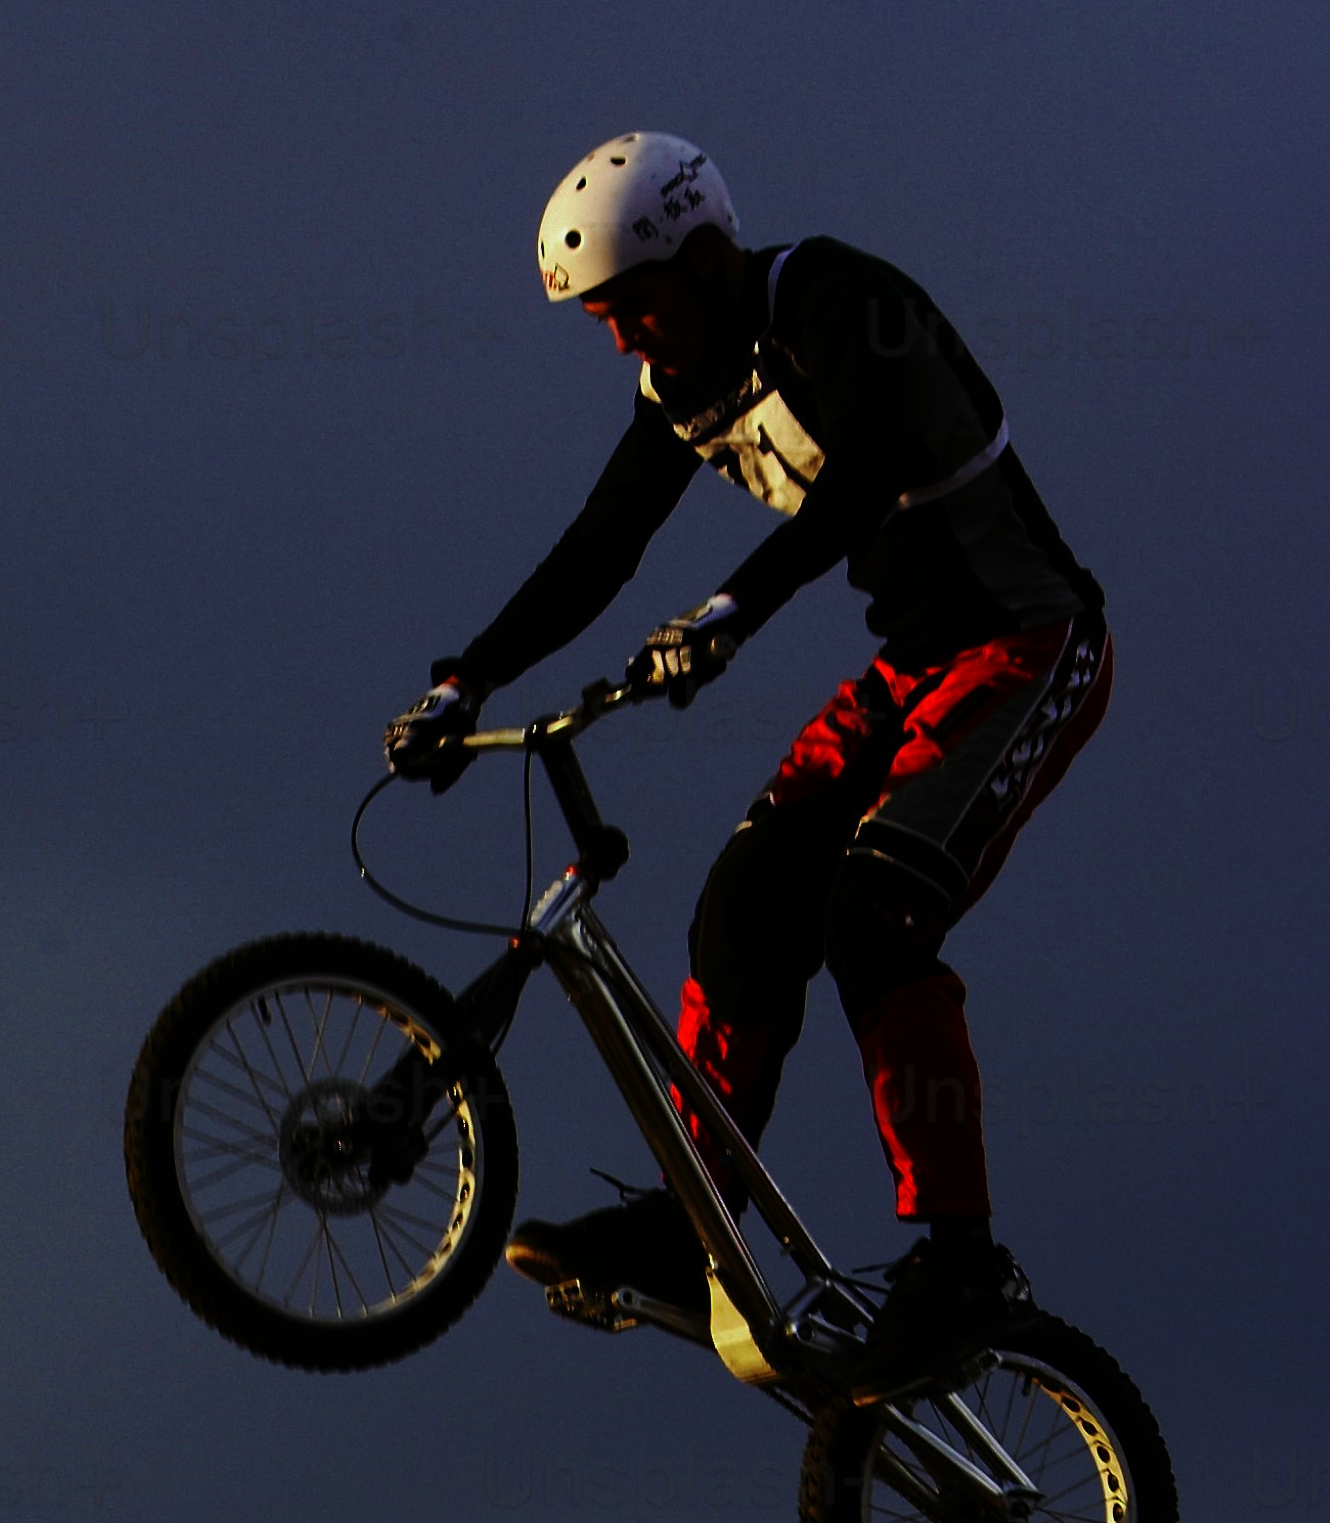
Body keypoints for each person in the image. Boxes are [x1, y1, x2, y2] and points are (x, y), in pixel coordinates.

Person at [387, 133, 1110, 1393]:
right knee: (742, 911)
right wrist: (464, 679)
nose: (624, 341)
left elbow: (865, 480)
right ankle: (694, 1220)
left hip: (1027, 640)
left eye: (636, 306)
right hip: (908, 669)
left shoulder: (833, 299)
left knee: (873, 913)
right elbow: (600, 547)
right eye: (606, 320)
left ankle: (961, 1263)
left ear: (711, 257)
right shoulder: (681, 380)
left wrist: (727, 612)